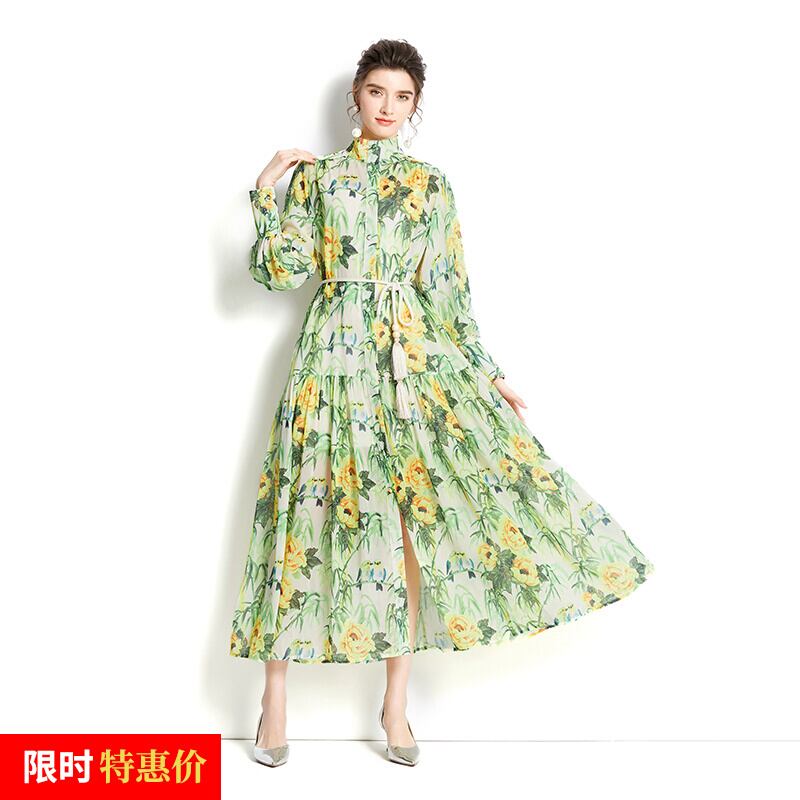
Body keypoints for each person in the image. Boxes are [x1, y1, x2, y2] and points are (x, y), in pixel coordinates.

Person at [230, 38, 656, 768]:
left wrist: (487, 373)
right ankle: (274, 702)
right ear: (355, 97)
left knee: (408, 518)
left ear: (415, 107)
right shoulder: (318, 179)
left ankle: (395, 704)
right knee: (303, 512)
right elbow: (280, 273)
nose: (388, 106)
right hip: (330, 359)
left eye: (402, 97)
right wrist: (265, 193)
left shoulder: (430, 186)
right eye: (376, 91)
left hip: (411, 363)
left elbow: (448, 292)